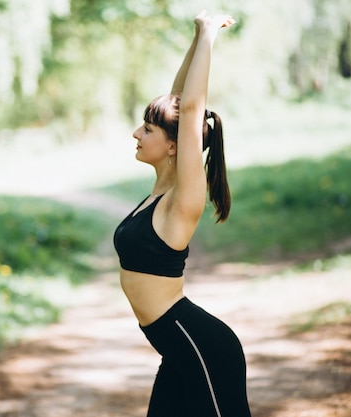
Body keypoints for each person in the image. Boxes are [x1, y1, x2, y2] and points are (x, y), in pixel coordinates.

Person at [113, 10, 252, 417]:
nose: (137, 134)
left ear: (174, 145)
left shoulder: (183, 198)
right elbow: (179, 102)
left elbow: (189, 111)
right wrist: (195, 36)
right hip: (177, 351)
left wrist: (210, 35)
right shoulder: (162, 191)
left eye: (148, 130)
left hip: (202, 348)